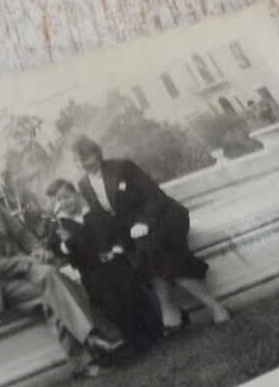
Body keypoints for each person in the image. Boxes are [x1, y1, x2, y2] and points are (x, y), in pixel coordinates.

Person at [0, 161, 122, 378]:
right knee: (53, 282)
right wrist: (25, 262)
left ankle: (85, 360)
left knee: (52, 289)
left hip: (26, 274)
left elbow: (22, 234)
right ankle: (93, 338)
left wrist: (37, 250)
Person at [72, 136, 231, 330]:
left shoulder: (123, 167)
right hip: (132, 233)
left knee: (152, 251)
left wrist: (144, 222)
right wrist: (114, 244)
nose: (84, 164)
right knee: (149, 254)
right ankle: (208, 308)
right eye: (79, 161)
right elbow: (103, 217)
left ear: (97, 153)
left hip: (162, 218)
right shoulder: (84, 185)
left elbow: (155, 196)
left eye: (87, 158)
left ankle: (174, 311)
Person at [45, 179, 162, 352]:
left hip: (116, 263)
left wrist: (118, 248)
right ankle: (135, 340)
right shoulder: (60, 227)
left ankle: (154, 333)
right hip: (93, 272)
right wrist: (66, 243)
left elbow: (119, 232)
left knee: (133, 295)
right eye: (59, 200)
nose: (65, 203)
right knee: (113, 305)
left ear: (76, 194)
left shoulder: (95, 214)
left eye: (67, 197)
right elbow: (58, 250)